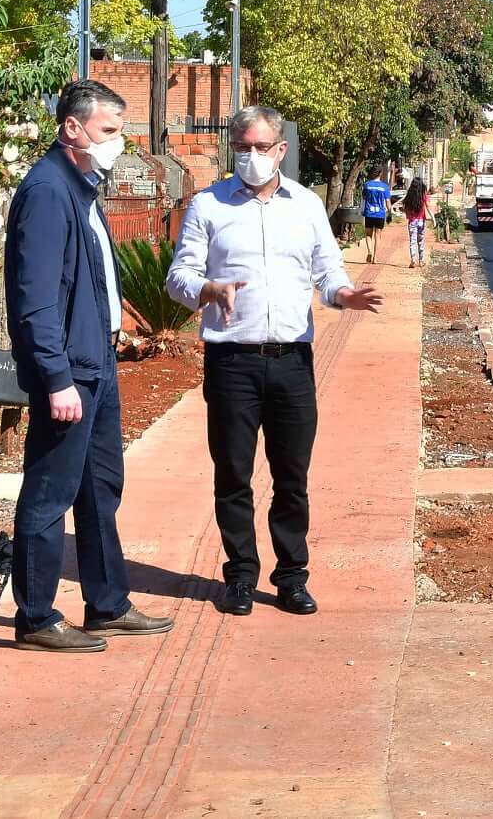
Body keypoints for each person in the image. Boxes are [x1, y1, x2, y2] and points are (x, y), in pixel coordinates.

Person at [167, 106, 384, 618]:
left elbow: (327, 271)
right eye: (242, 147)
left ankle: (291, 577)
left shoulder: (306, 206)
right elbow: (178, 277)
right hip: (231, 363)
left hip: (291, 362)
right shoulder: (208, 206)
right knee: (233, 474)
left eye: (261, 147)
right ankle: (240, 575)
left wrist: (344, 295)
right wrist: (206, 288)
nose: (251, 157)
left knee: (292, 476)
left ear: (281, 149)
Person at [3, 79, 174, 652]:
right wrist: (56, 377)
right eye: (108, 131)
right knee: (51, 491)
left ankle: (107, 604)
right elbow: (36, 297)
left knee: (100, 487)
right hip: (70, 369)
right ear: (72, 128)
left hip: (97, 359)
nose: (116, 143)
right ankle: (36, 618)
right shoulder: (49, 191)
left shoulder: (82, 186)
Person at [360, 167, 391, 264]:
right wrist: (390, 212)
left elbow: (363, 199)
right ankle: (375, 257)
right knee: (378, 236)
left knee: (368, 234)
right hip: (380, 214)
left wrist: (361, 210)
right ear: (380, 174)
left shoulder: (367, 185)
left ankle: (369, 252)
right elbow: (387, 202)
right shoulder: (384, 187)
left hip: (369, 213)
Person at [402, 179, 432, 269]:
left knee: (413, 241)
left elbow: (405, 208)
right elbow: (428, 207)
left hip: (412, 221)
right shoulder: (423, 196)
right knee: (421, 241)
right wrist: (433, 218)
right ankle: (422, 261)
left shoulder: (409, 196)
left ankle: (413, 260)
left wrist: (408, 216)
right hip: (421, 221)